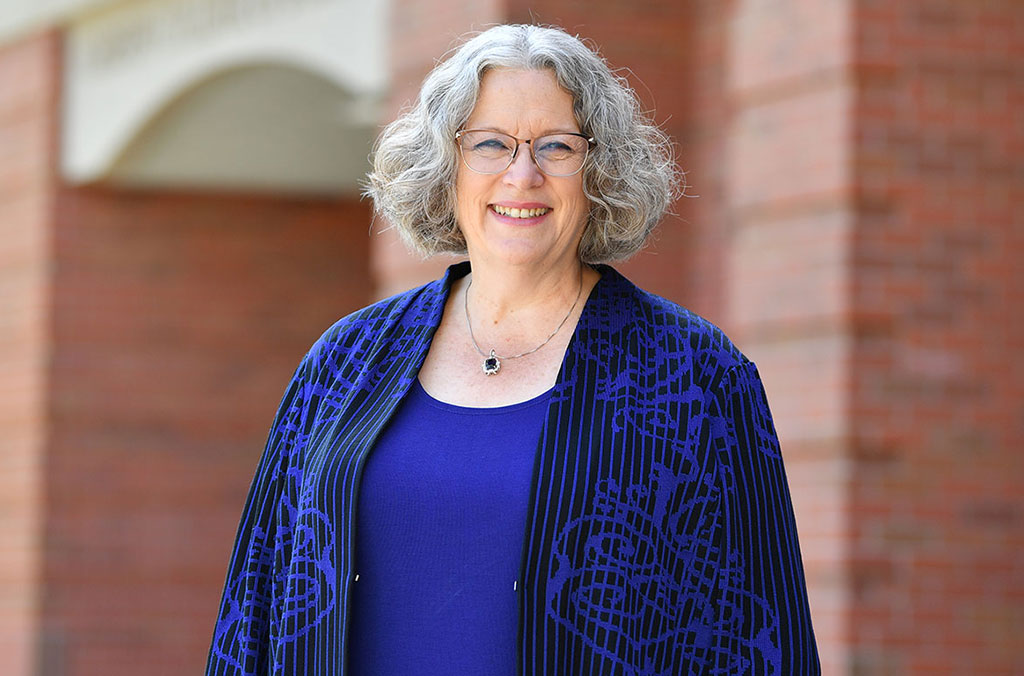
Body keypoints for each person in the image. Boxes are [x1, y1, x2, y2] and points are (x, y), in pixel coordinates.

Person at [206, 24, 819, 676]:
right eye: (491, 144)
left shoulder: (694, 378)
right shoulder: (344, 364)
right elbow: (253, 612)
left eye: (556, 146)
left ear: (599, 171)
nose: (521, 175)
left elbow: (759, 636)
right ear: (446, 166)